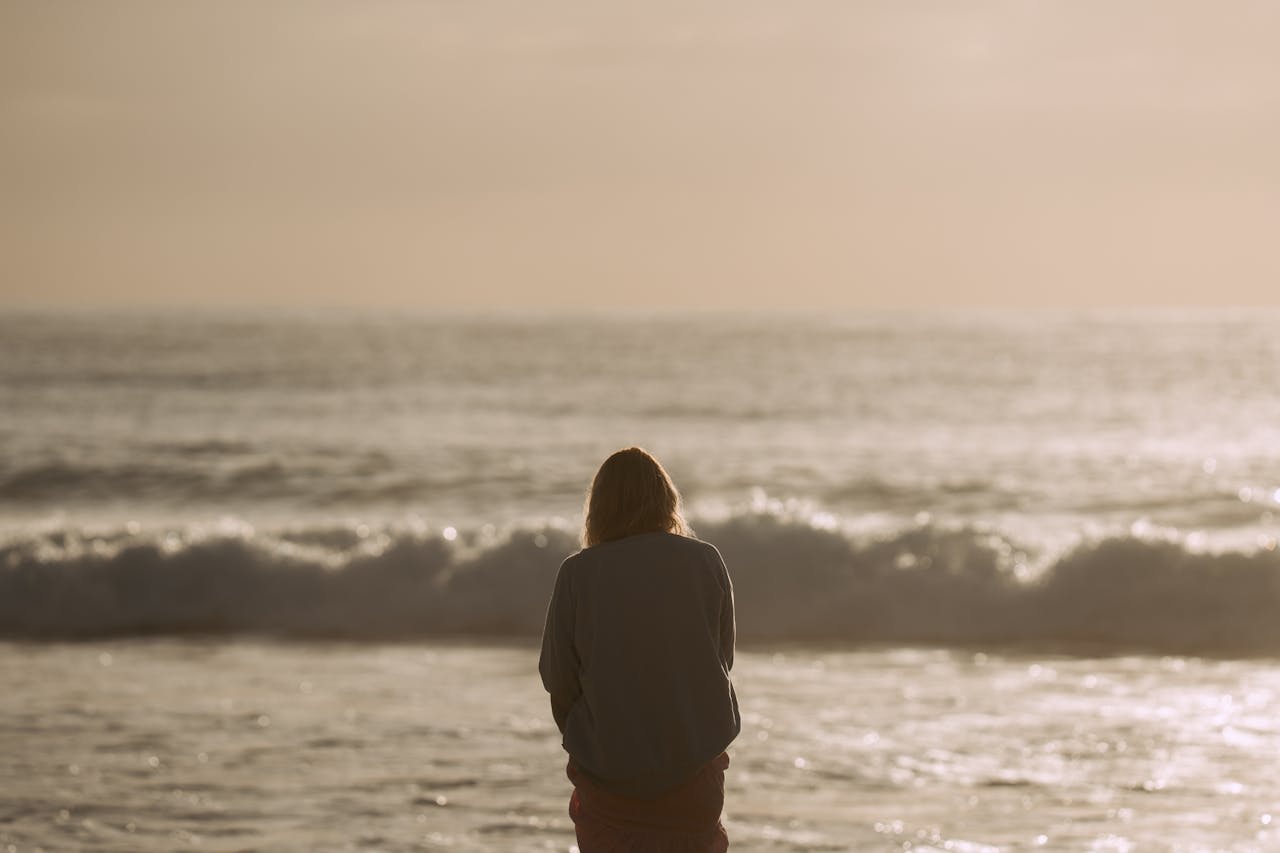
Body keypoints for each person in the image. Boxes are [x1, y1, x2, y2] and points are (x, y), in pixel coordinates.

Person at [539, 446, 741, 852]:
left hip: (607, 776)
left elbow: (557, 677)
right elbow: (722, 659)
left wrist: (592, 742)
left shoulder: (578, 573)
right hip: (693, 776)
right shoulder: (706, 561)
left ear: (599, 508)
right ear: (667, 499)